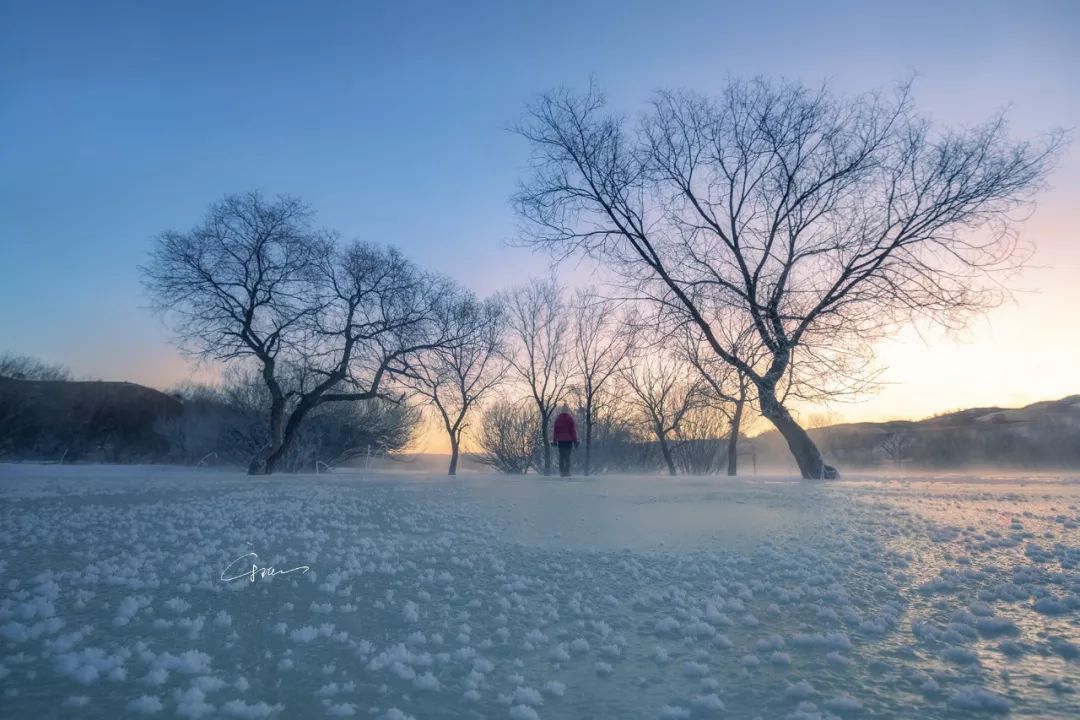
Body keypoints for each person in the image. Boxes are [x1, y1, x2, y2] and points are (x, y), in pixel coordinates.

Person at [551, 404, 579, 478]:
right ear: (567, 410)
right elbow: (573, 431)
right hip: (568, 441)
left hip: (560, 441)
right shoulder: (570, 419)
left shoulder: (558, 419)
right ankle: (567, 471)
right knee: (567, 457)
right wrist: (575, 440)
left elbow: (555, 431)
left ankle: (561, 472)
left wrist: (554, 440)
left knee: (561, 456)